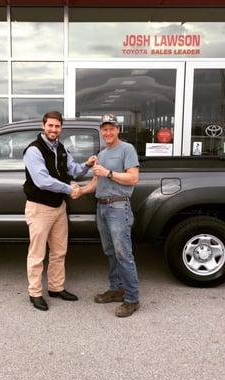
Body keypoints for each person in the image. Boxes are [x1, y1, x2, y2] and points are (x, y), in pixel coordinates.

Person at [23, 111, 97, 311]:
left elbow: (72, 170)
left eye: (57, 126)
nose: (53, 130)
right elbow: (42, 181)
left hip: (58, 208)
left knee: (59, 252)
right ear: (43, 125)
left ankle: (56, 288)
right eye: (50, 126)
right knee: (37, 254)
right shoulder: (34, 151)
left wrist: (87, 165)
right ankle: (35, 293)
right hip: (39, 208)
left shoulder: (61, 148)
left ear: (61, 128)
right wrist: (69, 189)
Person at [74, 113, 140, 317]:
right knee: (110, 251)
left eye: (112, 128)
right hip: (102, 207)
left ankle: (132, 298)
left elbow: (133, 178)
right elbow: (96, 183)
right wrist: (80, 190)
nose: (108, 132)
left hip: (119, 207)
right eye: (105, 128)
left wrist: (109, 173)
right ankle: (116, 289)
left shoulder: (127, 149)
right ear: (102, 131)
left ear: (118, 130)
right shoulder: (101, 154)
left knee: (123, 253)